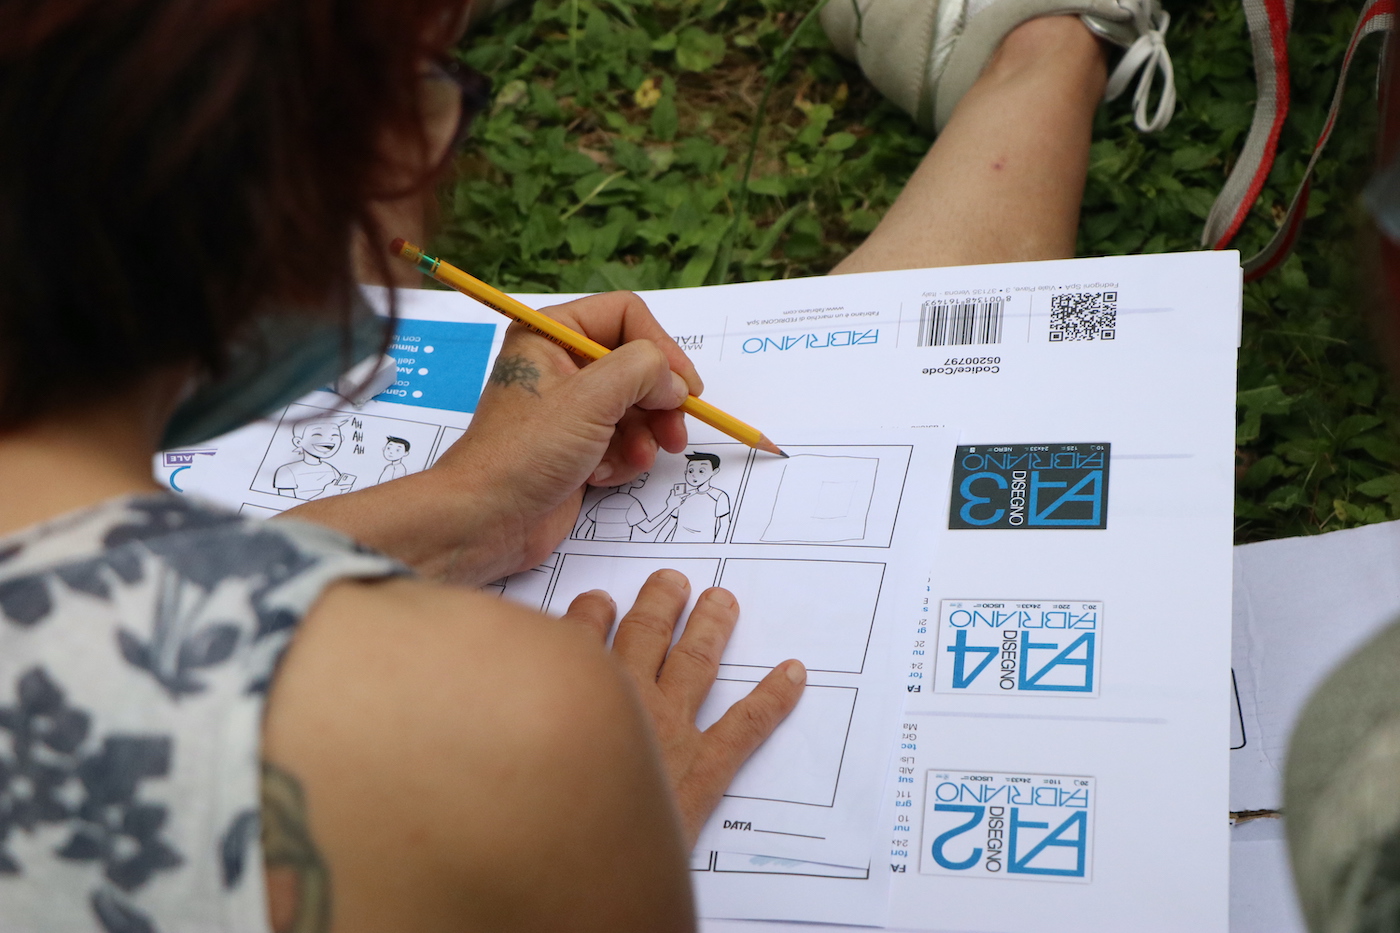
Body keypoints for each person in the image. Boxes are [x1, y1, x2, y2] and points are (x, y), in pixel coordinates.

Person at [0, 2, 1173, 933]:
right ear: (301, 184)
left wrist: (451, 510)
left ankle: (1041, 51)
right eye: (426, 86)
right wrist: (605, 833)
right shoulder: (520, 735)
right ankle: (1047, 48)